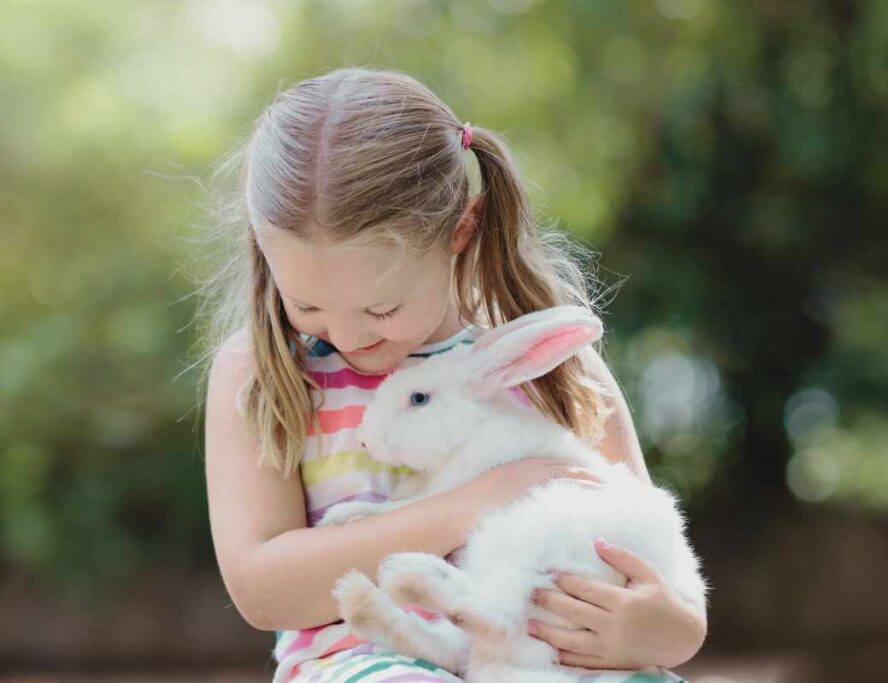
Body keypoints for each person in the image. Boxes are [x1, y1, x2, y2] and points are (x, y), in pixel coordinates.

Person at [197, 67, 706, 682]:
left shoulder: (547, 367)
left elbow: (651, 547)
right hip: (368, 662)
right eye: (307, 306)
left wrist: (668, 632)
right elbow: (263, 589)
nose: (351, 337)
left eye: (381, 309)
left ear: (460, 230)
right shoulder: (263, 373)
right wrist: (475, 503)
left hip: (548, 657)